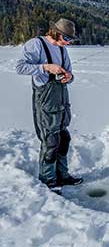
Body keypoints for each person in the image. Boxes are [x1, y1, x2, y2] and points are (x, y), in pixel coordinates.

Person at [16, 18, 83, 194]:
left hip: (61, 101)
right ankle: (48, 181)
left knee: (64, 139)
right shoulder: (36, 44)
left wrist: (69, 77)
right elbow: (20, 67)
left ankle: (63, 176)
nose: (68, 43)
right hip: (45, 102)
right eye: (67, 39)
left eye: (70, 40)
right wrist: (46, 68)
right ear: (57, 33)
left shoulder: (62, 50)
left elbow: (70, 73)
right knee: (50, 142)